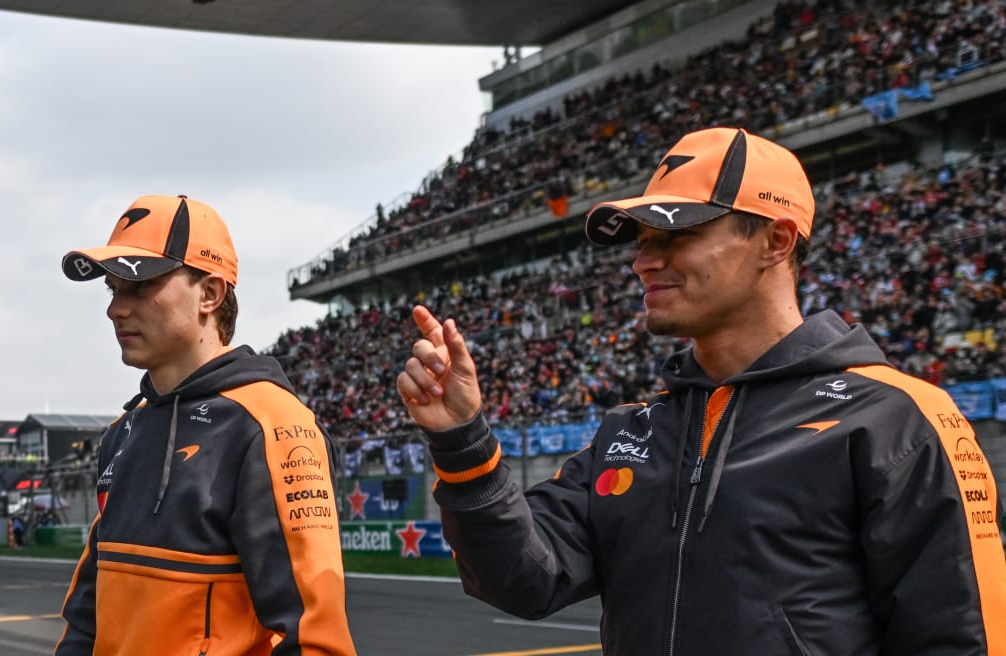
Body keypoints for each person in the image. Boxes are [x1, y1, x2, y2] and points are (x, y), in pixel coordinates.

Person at [397, 127, 1006, 655]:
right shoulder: (631, 432)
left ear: (776, 240)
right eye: (640, 241)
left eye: (675, 236)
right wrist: (461, 440)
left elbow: (961, 636)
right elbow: (523, 580)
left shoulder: (897, 417)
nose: (643, 262)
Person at [55, 195, 355, 655]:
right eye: (113, 290)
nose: (115, 309)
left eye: (138, 286)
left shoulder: (270, 425)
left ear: (210, 295)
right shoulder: (123, 430)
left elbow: (313, 637)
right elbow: (86, 616)